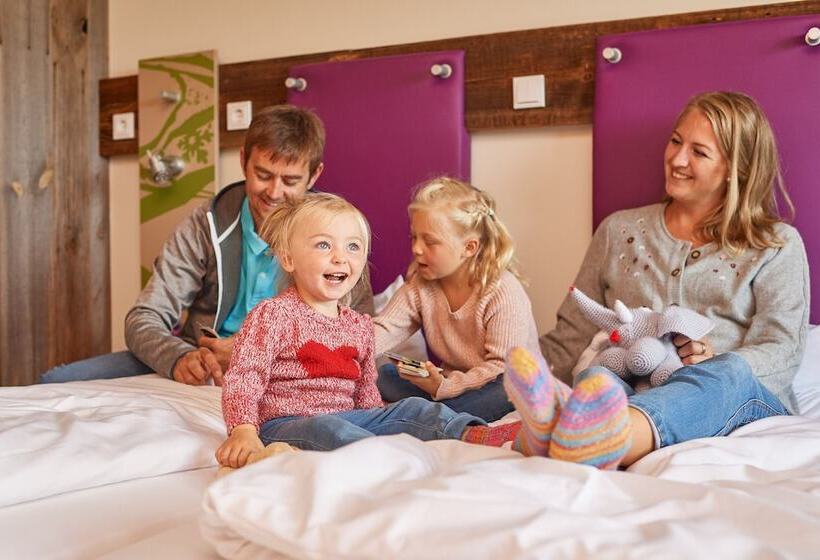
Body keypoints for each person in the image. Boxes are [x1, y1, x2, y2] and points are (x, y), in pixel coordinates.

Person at [505, 91, 809, 470]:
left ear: (736, 168)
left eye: (699, 152)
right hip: (632, 384)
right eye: (676, 141)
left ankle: (605, 438)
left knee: (728, 373)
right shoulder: (619, 231)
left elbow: (782, 349)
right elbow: (572, 338)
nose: (677, 159)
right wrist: (497, 367)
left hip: (733, 396)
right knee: (598, 375)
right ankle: (576, 430)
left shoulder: (775, 245)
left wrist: (712, 358)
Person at [40, 105, 373, 385]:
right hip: (202, 361)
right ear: (243, 161)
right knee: (54, 382)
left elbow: (362, 338)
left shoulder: (340, 236)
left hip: (293, 372)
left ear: (314, 176)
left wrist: (250, 353)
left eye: (290, 181)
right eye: (262, 174)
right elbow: (143, 318)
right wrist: (179, 357)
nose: (273, 192)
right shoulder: (205, 224)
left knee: (392, 383)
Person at [216, 193, 519, 467]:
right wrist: (243, 430)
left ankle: (475, 434)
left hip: (348, 418)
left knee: (413, 408)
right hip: (286, 423)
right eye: (324, 244)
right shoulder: (273, 315)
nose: (340, 256)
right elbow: (244, 377)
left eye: (353, 247)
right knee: (330, 429)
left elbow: (366, 392)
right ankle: (387, 464)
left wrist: (380, 419)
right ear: (288, 258)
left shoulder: (358, 325)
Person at [373, 177, 540, 423]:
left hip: (506, 382)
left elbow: (501, 366)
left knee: (510, 385)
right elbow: (384, 328)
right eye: (413, 238)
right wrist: (344, 349)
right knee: (386, 374)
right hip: (450, 386)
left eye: (429, 241)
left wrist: (444, 386)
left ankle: (434, 415)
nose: (417, 249)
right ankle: (438, 413)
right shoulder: (421, 286)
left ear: (469, 248)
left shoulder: (503, 290)